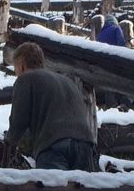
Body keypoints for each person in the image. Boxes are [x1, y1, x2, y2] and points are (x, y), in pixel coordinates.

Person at [5, 42, 96, 170]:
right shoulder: (68, 81)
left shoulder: (25, 80)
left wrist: (10, 142)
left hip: (53, 145)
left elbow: (19, 120)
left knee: (54, 188)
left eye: (15, 67)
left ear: (22, 65)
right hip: (85, 144)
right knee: (82, 188)